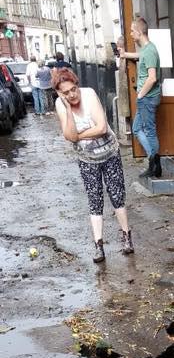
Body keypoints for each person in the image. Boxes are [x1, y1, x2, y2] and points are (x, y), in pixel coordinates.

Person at [52, 67, 134, 263]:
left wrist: (78, 136)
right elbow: (69, 135)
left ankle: (126, 237)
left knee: (117, 196)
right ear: (59, 93)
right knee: (94, 200)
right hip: (87, 159)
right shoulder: (60, 104)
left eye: (74, 89)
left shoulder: (89, 95)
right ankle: (99, 245)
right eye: (66, 92)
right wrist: (69, 111)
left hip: (110, 153)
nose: (72, 94)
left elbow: (102, 127)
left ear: (77, 85)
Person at [120, 18, 161, 178]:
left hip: (147, 97)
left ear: (139, 32)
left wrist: (140, 94)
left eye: (132, 31)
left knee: (149, 131)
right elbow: (140, 55)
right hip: (146, 97)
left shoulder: (150, 51)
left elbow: (152, 78)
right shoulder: (146, 49)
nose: (130, 34)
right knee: (137, 128)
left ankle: (155, 166)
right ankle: (153, 161)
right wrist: (125, 55)